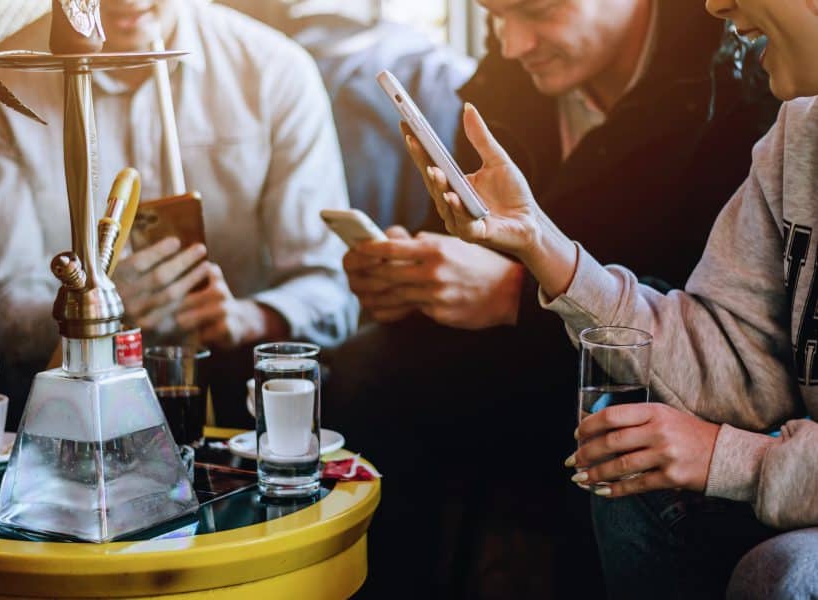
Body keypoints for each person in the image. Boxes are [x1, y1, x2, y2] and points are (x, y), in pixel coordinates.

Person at [326, 0, 777, 595]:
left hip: (642, 378)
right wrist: (411, 280)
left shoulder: (745, 88)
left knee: (603, 437)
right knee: (358, 372)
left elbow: (716, 326)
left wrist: (512, 294)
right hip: (508, 357)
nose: (513, 43)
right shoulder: (504, 80)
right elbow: (459, 238)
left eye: (536, 12)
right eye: (494, 16)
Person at [0, 0, 357, 428]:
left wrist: (248, 318)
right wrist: (99, 307)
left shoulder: (276, 70)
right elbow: (6, 319)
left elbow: (330, 288)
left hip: (234, 382)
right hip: (69, 392)